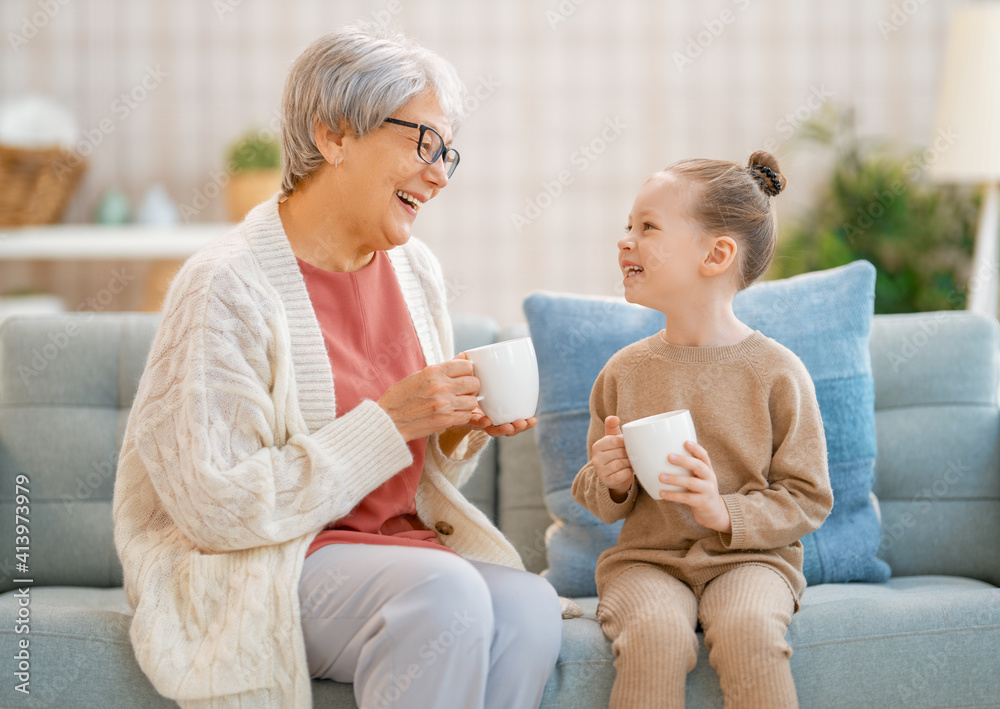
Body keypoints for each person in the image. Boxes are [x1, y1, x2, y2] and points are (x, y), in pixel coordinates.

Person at [113, 21, 565, 709]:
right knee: (444, 594)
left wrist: (450, 427)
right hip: (268, 562)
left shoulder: (416, 271)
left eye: (449, 153)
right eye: (423, 142)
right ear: (334, 135)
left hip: (398, 555)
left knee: (530, 608)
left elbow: (417, 474)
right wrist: (387, 421)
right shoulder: (225, 285)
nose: (440, 174)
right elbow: (216, 506)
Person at [571, 151, 834, 709]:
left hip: (751, 561)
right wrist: (611, 480)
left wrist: (724, 513)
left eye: (648, 227)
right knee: (655, 637)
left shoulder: (777, 372)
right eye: (628, 227)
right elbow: (597, 494)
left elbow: (809, 498)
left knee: (749, 632)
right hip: (648, 562)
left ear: (716, 255)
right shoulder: (623, 371)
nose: (626, 241)